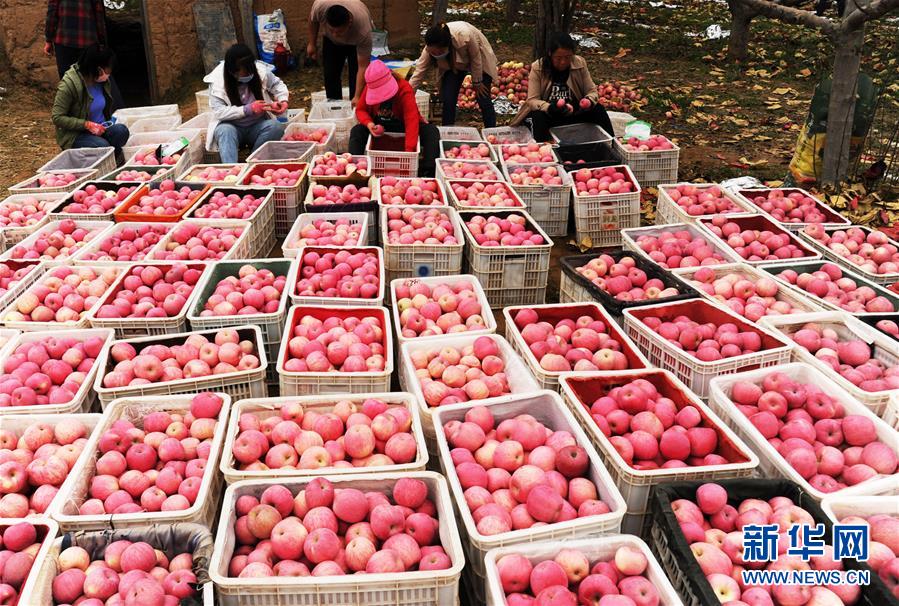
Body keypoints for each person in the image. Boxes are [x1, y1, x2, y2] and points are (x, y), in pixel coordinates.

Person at [510, 32, 614, 142]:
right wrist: (549, 108)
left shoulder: (580, 63)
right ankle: (546, 150)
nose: (563, 62)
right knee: (537, 117)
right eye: (558, 58)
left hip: (575, 112)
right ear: (550, 54)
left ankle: (612, 144)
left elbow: (591, 91)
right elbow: (532, 100)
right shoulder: (538, 68)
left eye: (568, 57)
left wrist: (588, 101)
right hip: (550, 114)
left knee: (598, 110)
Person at [349, 60, 440, 177]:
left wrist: (408, 154)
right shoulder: (369, 86)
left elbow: (411, 121)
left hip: (402, 126)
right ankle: (355, 169)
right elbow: (360, 110)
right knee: (357, 130)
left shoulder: (404, 88)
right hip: (379, 127)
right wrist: (369, 124)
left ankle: (428, 171)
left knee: (431, 131)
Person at [204, 44, 290, 163]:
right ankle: (231, 169)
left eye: (250, 72)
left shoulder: (260, 71)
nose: (248, 76)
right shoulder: (218, 82)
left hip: (257, 126)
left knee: (276, 127)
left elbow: (277, 84)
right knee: (225, 130)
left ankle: (253, 161)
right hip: (233, 127)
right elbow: (219, 112)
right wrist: (248, 109)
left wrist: (282, 100)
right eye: (243, 74)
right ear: (232, 72)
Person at [51, 43, 129, 163]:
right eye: (108, 69)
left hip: (101, 129)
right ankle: (106, 161)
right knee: (102, 146)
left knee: (121, 131)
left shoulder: (102, 81)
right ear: (98, 69)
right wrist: (87, 125)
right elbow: (57, 117)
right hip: (78, 135)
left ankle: (112, 161)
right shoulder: (69, 85)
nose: (109, 73)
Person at [409, 22, 498, 128]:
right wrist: (407, 92)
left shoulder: (465, 36)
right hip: (453, 65)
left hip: (479, 58)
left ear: (448, 46)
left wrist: (477, 81)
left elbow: (476, 58)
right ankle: (447, 130)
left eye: (440, 51)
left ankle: (491, 129)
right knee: (448, 98)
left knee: (482, 96)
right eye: (434, 53)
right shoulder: (428, 50)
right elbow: (419, 73)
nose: (436, 54)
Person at [307, 0, 373, 105]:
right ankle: (334, 106)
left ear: (349, 23)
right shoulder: (320, 7)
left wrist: (357, 96)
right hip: (330, 42)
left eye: (339, 31)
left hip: (354, 43)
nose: (335, 34)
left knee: (355, 74)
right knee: (330, 73)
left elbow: (363, 67)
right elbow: (313, 20)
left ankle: (355, 103)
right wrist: (312, 44)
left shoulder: (363, 31)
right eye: (331, 30)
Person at [45, 0, 107, 79]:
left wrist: (49, 39)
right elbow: (99, 17)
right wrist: (102, 42)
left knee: (67, 80)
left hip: (64, 41)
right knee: (88, 79)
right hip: (88, 42)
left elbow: (52, 13)